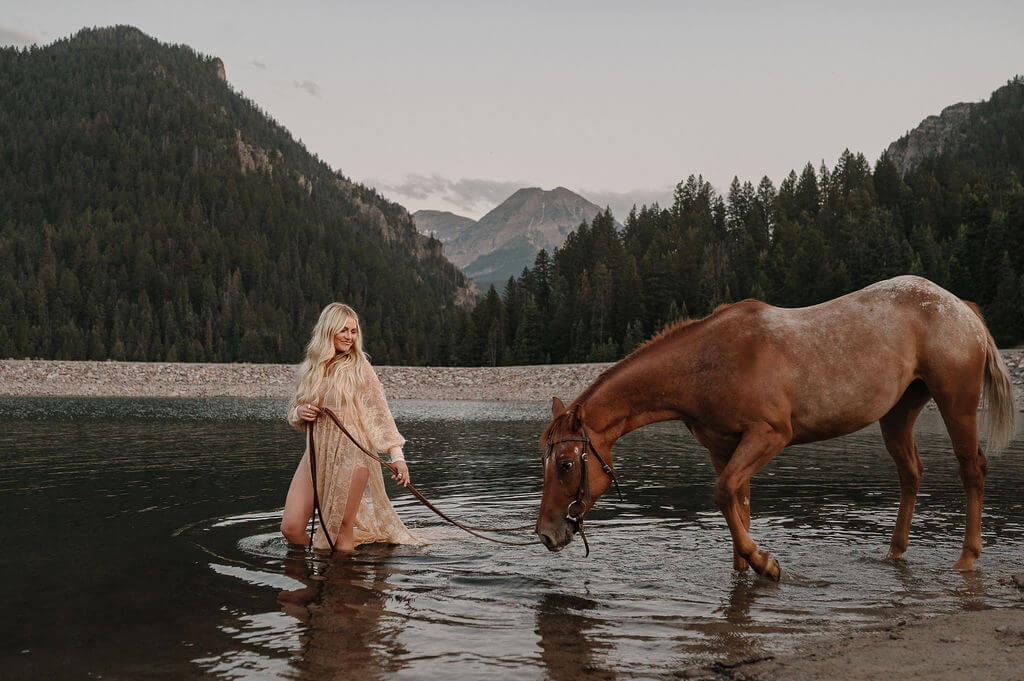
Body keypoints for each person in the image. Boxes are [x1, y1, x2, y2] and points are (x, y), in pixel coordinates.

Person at [280, 302, 423, 551]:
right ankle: (315, 577)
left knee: (338, 529)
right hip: (315, 454)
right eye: (343, 330)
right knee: (291, 528)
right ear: (328, 331)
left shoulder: (360, 368)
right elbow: (294, 413)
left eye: (353, 331)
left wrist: (397, 457)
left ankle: (343, 585)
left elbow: (381, 416)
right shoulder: (312, 367)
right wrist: (299, 412)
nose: (349, 336)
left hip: (352, 456)